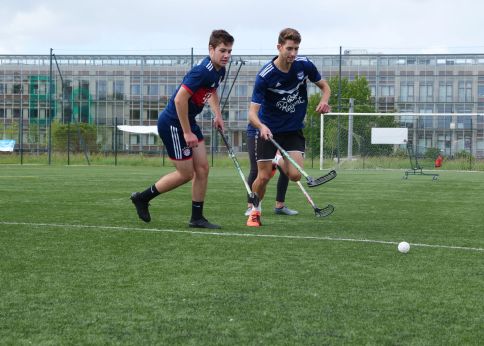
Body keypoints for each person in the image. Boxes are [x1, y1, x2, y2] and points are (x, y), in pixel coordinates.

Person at [130, 29, 234, 229]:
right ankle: (142, 198)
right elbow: (179, 100)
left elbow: (211, 91)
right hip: (173, 124)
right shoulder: (201, 71)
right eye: (223, 50)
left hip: (187, 120)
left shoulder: (219, 70)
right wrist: (186, 132)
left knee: (203, 168)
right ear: (211, 49)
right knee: (186, 174)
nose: (227, 55)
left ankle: (197, 218)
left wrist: (218, 114)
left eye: (229, 51)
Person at [247, 28, 331, 227]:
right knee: (264, 176)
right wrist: (262, 126)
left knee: (295, 175)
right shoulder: (265, 76)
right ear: (279, 47)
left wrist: (325, 100)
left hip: (293, 129)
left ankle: (279, 158)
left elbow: (325, 86)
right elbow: (251, 114)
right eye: (289, 49)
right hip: (269, 131)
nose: (293, 54)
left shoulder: (304, 65)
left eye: (296, 49)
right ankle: (255, 210)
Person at [245, 123, 298, 216]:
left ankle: (280, 205)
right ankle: (251, 206)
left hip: (277, 133)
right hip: (257, 133)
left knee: (285, 169)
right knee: (256, 170)